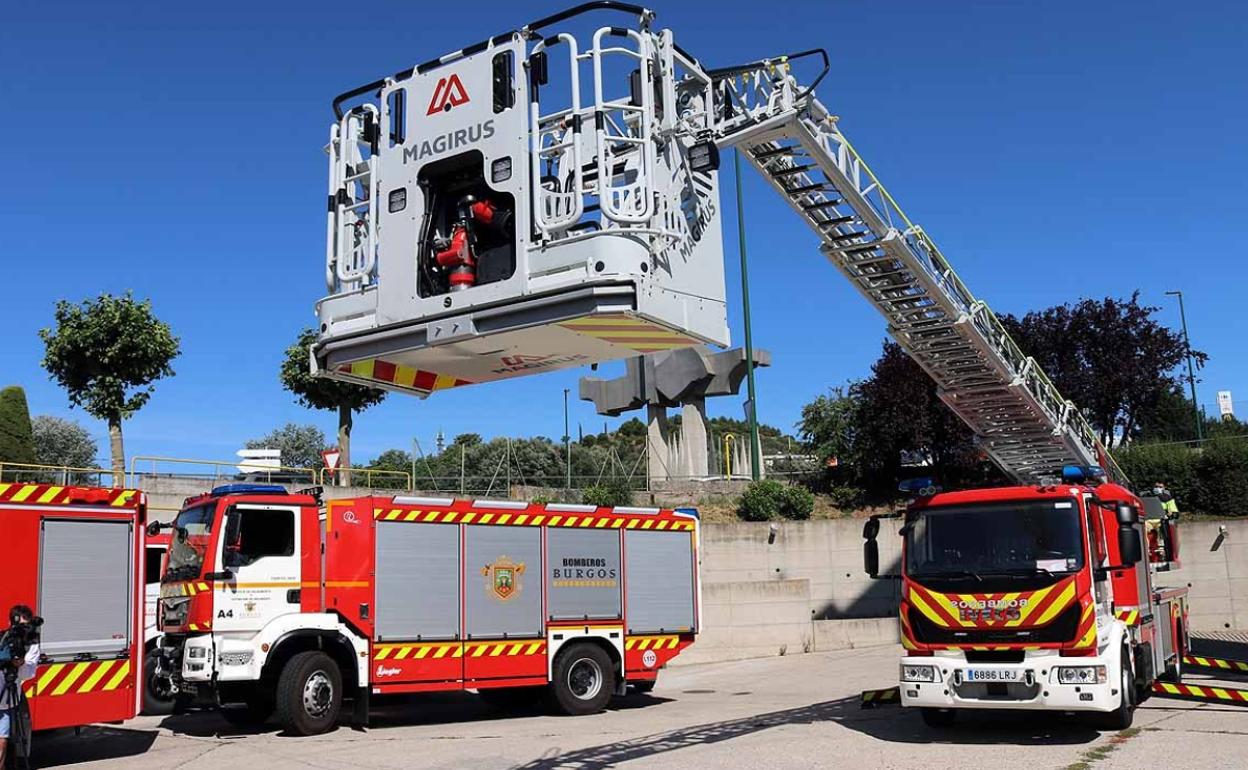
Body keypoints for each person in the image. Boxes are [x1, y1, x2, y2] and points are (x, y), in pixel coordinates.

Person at [0, 605, 40, 769]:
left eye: (26, 625)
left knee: (2, 742)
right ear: (11, 622)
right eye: (20, 626)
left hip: (7, 701)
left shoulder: (31, 643)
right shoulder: (3, 638)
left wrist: (19, 663)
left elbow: (28, 673)